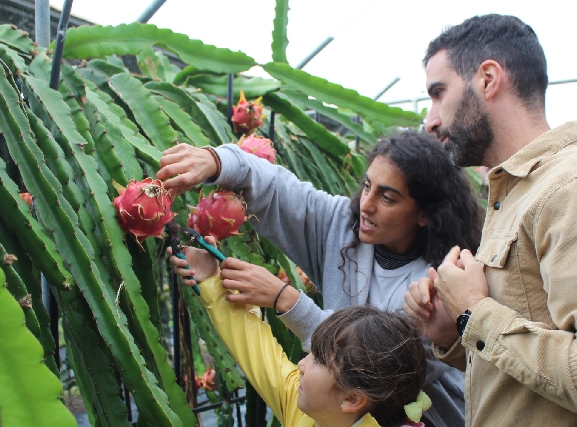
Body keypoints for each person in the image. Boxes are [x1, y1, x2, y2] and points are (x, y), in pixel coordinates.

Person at [159, 130, 483, 427]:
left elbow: (378, 363)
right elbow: (277, 191)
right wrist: (217, 161)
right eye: (367, 186)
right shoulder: (344, 223)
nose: (365, 206)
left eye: (388, 197)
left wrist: (286, 300)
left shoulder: (444, 284)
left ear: (426, 213)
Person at [403, 14, 577, 427]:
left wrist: (473, 312)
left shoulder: (565, 189)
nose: (430, 120)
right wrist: (451, 330)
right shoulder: (512, 193)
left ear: (487, 79)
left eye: (438, 93)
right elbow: (522, 381)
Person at [170, 238, 431, 427]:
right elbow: (255, 349)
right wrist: (210, 279)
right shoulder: (309, 412)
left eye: (318, 359)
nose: (301, 364)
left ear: (352, 398)